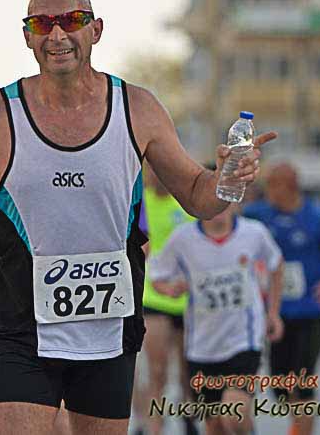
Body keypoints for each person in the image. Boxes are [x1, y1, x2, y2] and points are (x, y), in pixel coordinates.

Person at [0, 0, 276, 433]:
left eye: (72, 21)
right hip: (21, 327)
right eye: (42, 24)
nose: (57, 35)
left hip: (109, 327)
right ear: (27, 36)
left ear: (96, 30)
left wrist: (228, 177)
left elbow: (199, 197)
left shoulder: (138, 109)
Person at [243, 163, 320, 435]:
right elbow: (229, 219)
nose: (268, 191)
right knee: (279, 383)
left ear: (290, 186)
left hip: (311, 311)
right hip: (277, 312)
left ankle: (301, 430)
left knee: (303, 379)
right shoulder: (259, 214)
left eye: (273, 185)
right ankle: (298, 423)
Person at [149, 204, 284, 435]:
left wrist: (273, 312)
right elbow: (157, 275)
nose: (220, 207)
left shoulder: (254, 233)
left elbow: (276, 263)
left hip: (244, 340)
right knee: (215, 426)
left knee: (233, 414)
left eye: (225, 201)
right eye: (214, 200)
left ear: (235, 203)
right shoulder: (183, 238)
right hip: (202, 346)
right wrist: (170, 289)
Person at [132, 164, 197, 435]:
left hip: (187, 297)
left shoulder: (185, 203)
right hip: (154, 297)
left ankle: (188, 419)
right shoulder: (140, 203)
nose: (156, 176)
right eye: (151, 171)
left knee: (187, 372)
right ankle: (153, 426)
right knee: (157, 370)